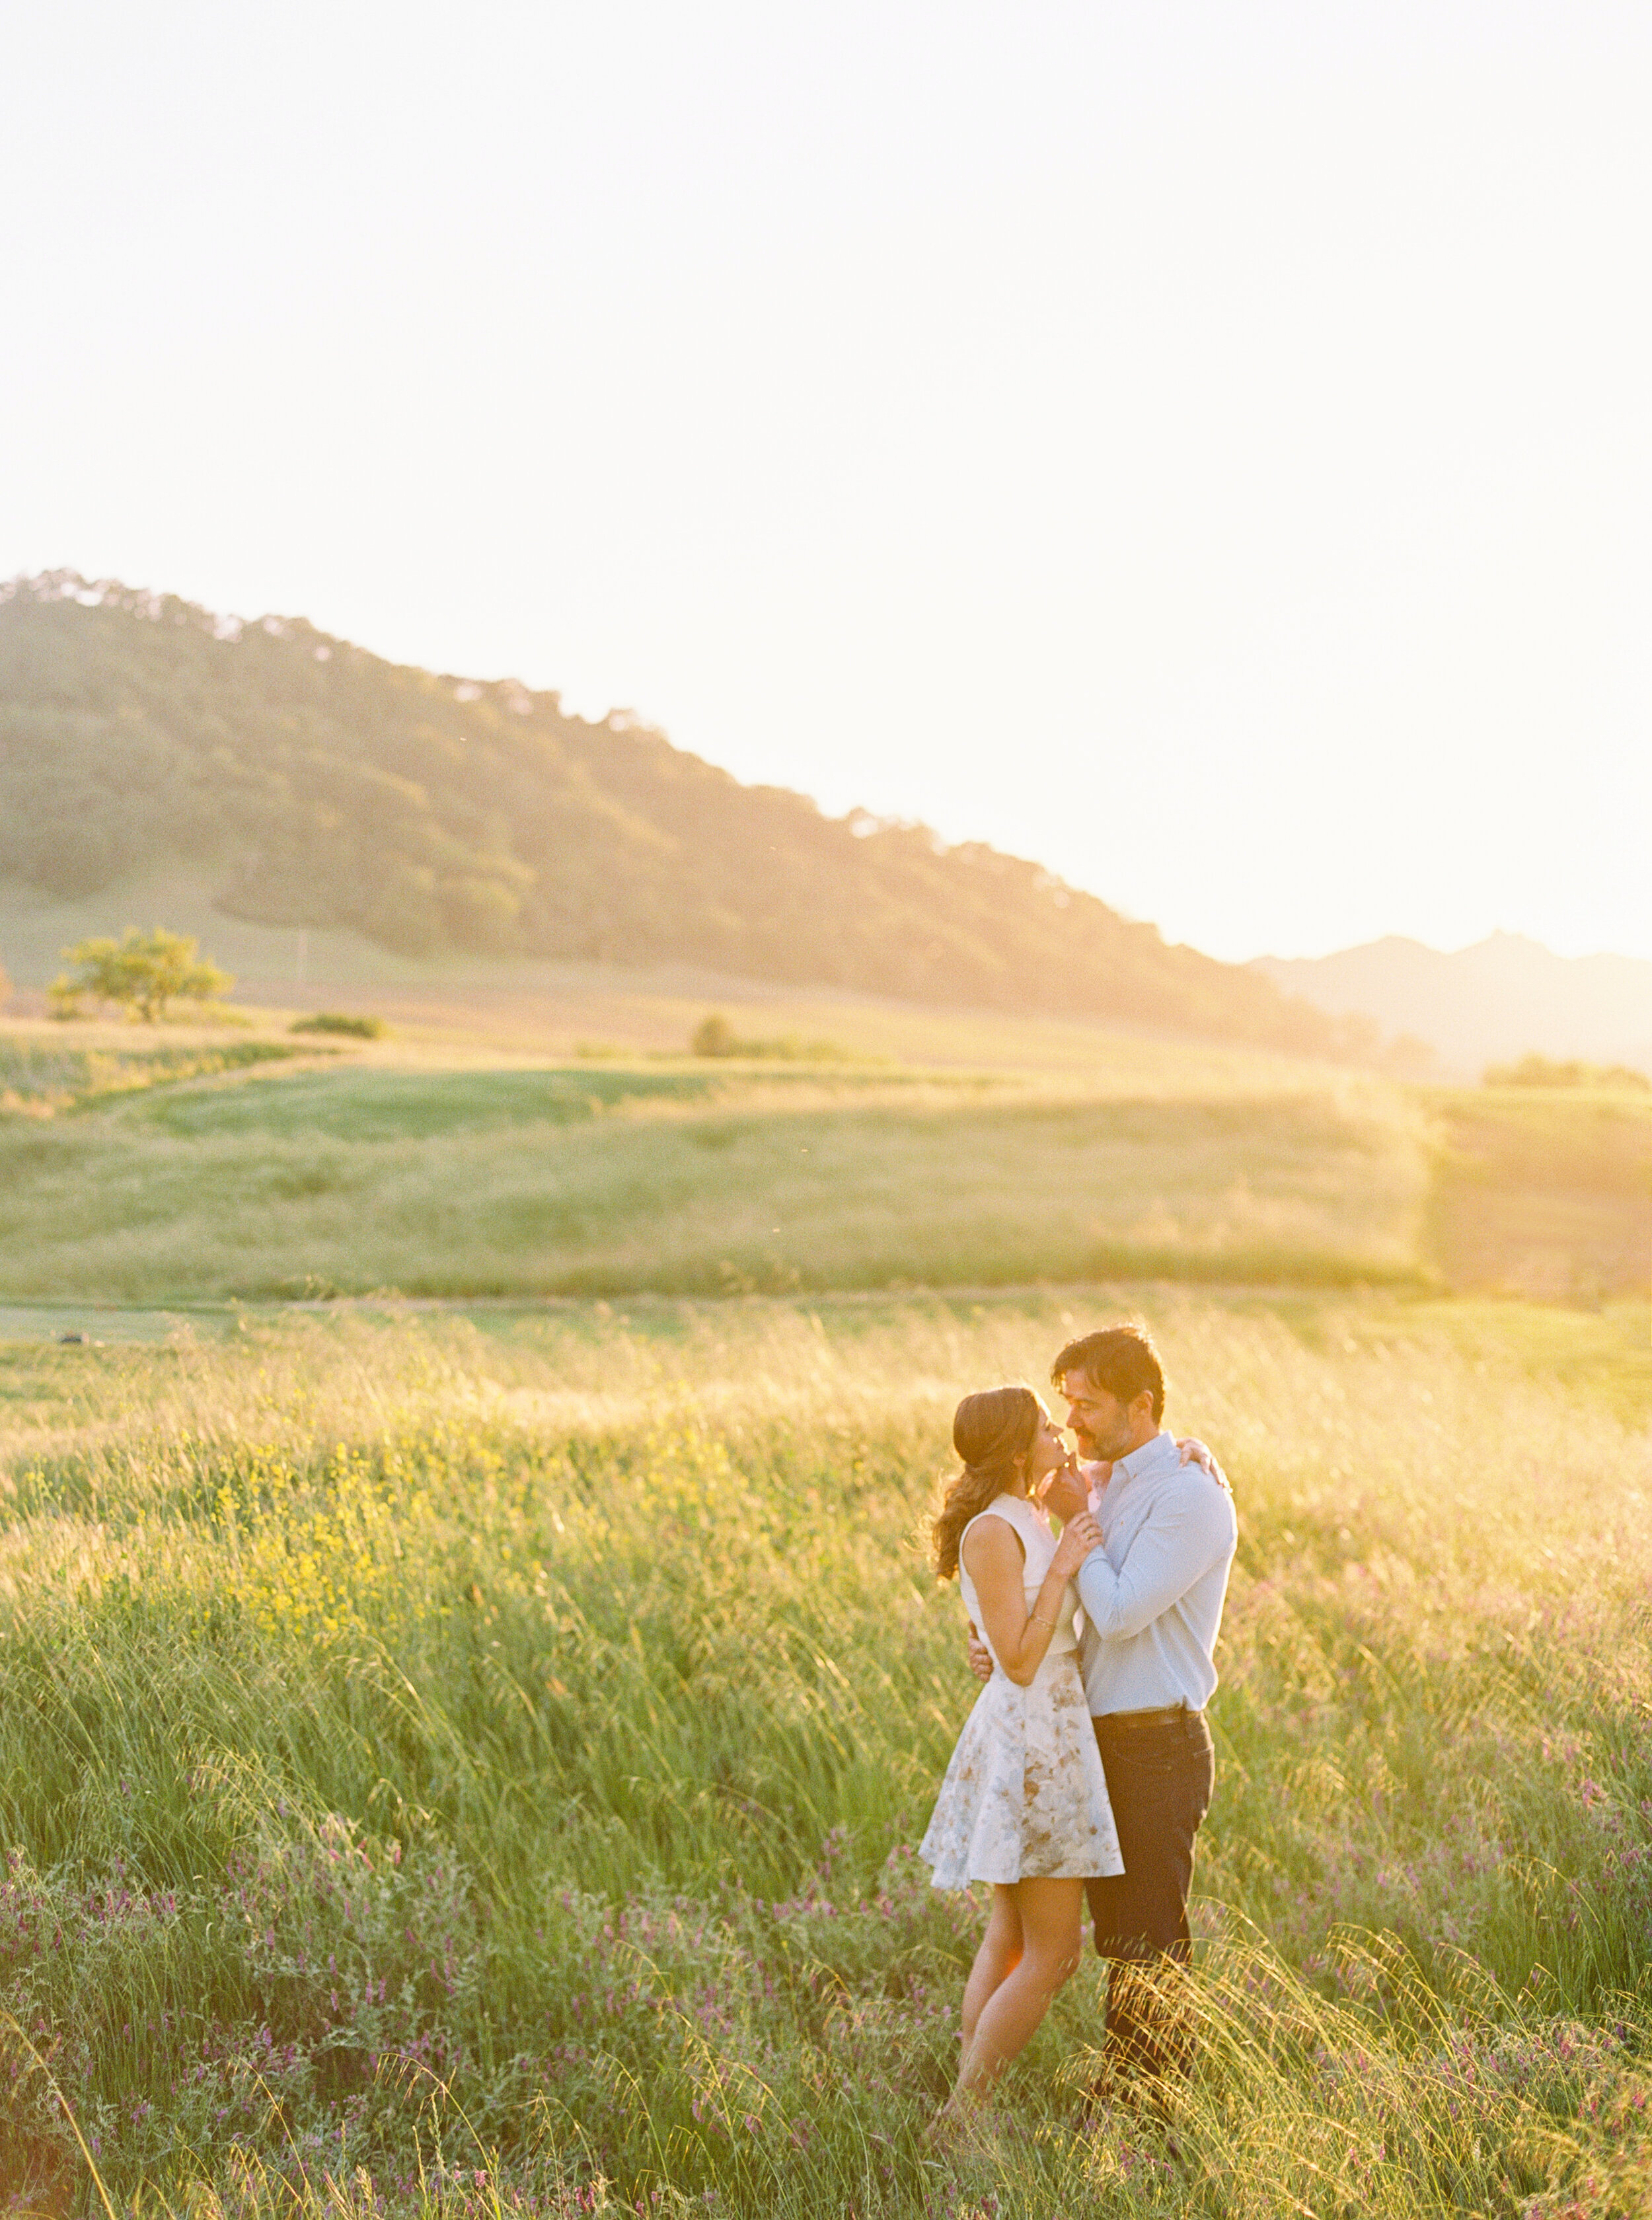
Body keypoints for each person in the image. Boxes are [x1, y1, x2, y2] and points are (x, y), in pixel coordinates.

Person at [918, 1385, 1123, 2115]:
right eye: (1044, 1427)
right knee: (1054, 1952)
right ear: (1014, 1449)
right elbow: (1020, 1659)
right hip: (1035, 1743)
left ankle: (967, 2107)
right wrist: (1067, 1562)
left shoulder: (1029, 1516)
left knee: (1009, 1934)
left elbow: (1003, 1639)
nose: (1058, 1433)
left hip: (1052, 1729)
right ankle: (961, 2118)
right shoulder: (991, 1531)